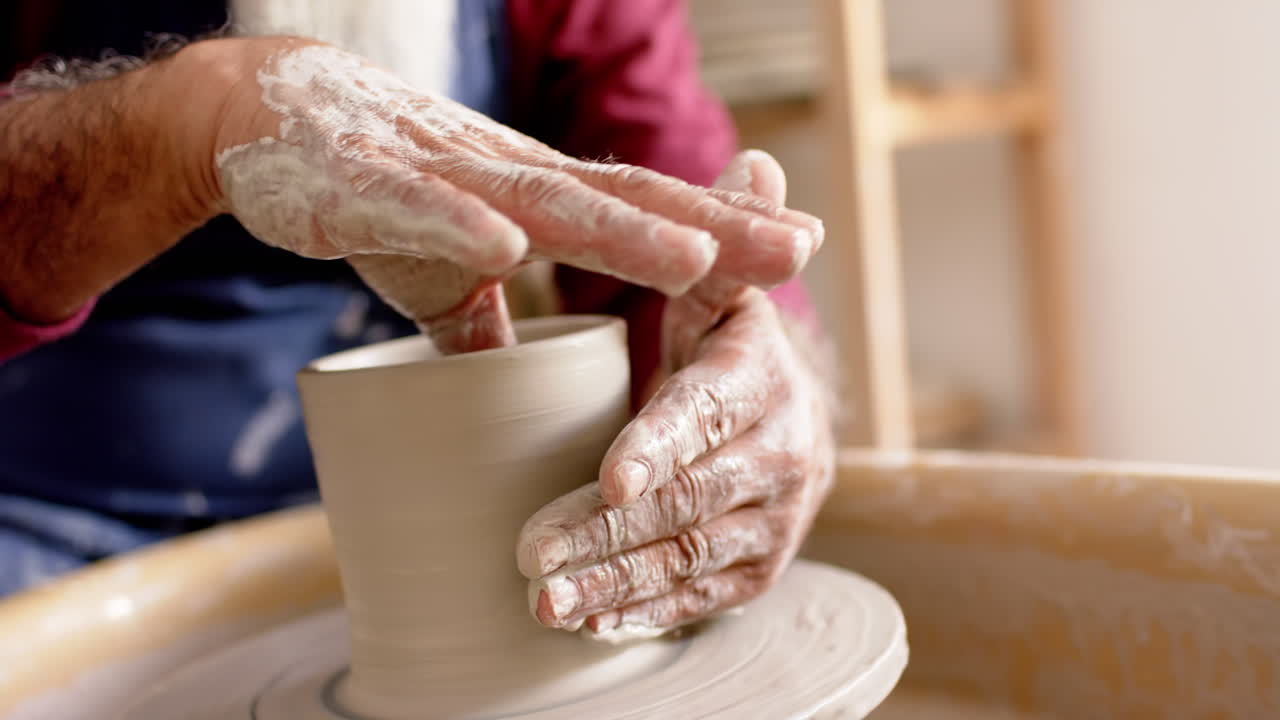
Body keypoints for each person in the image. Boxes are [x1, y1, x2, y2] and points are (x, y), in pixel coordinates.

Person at [0, 0, 837, 640]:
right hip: (48, 504)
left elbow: (679, 232)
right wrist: (180, 122)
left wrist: (752, 381)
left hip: (429, 521)